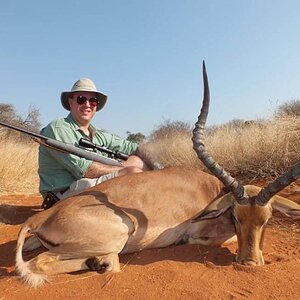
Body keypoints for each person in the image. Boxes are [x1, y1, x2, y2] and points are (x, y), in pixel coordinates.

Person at [38, 78, 150, 206]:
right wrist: (124, 168)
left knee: (138, 161)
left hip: (87, 184)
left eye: (93, 101)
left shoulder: (97, 133)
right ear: (70, 102)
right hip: (63, 195)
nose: (87, 104)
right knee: (133, 173)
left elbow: (133, 147)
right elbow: (85, 170)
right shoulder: (58, 128)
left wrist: (159, 164)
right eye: (81, 99)